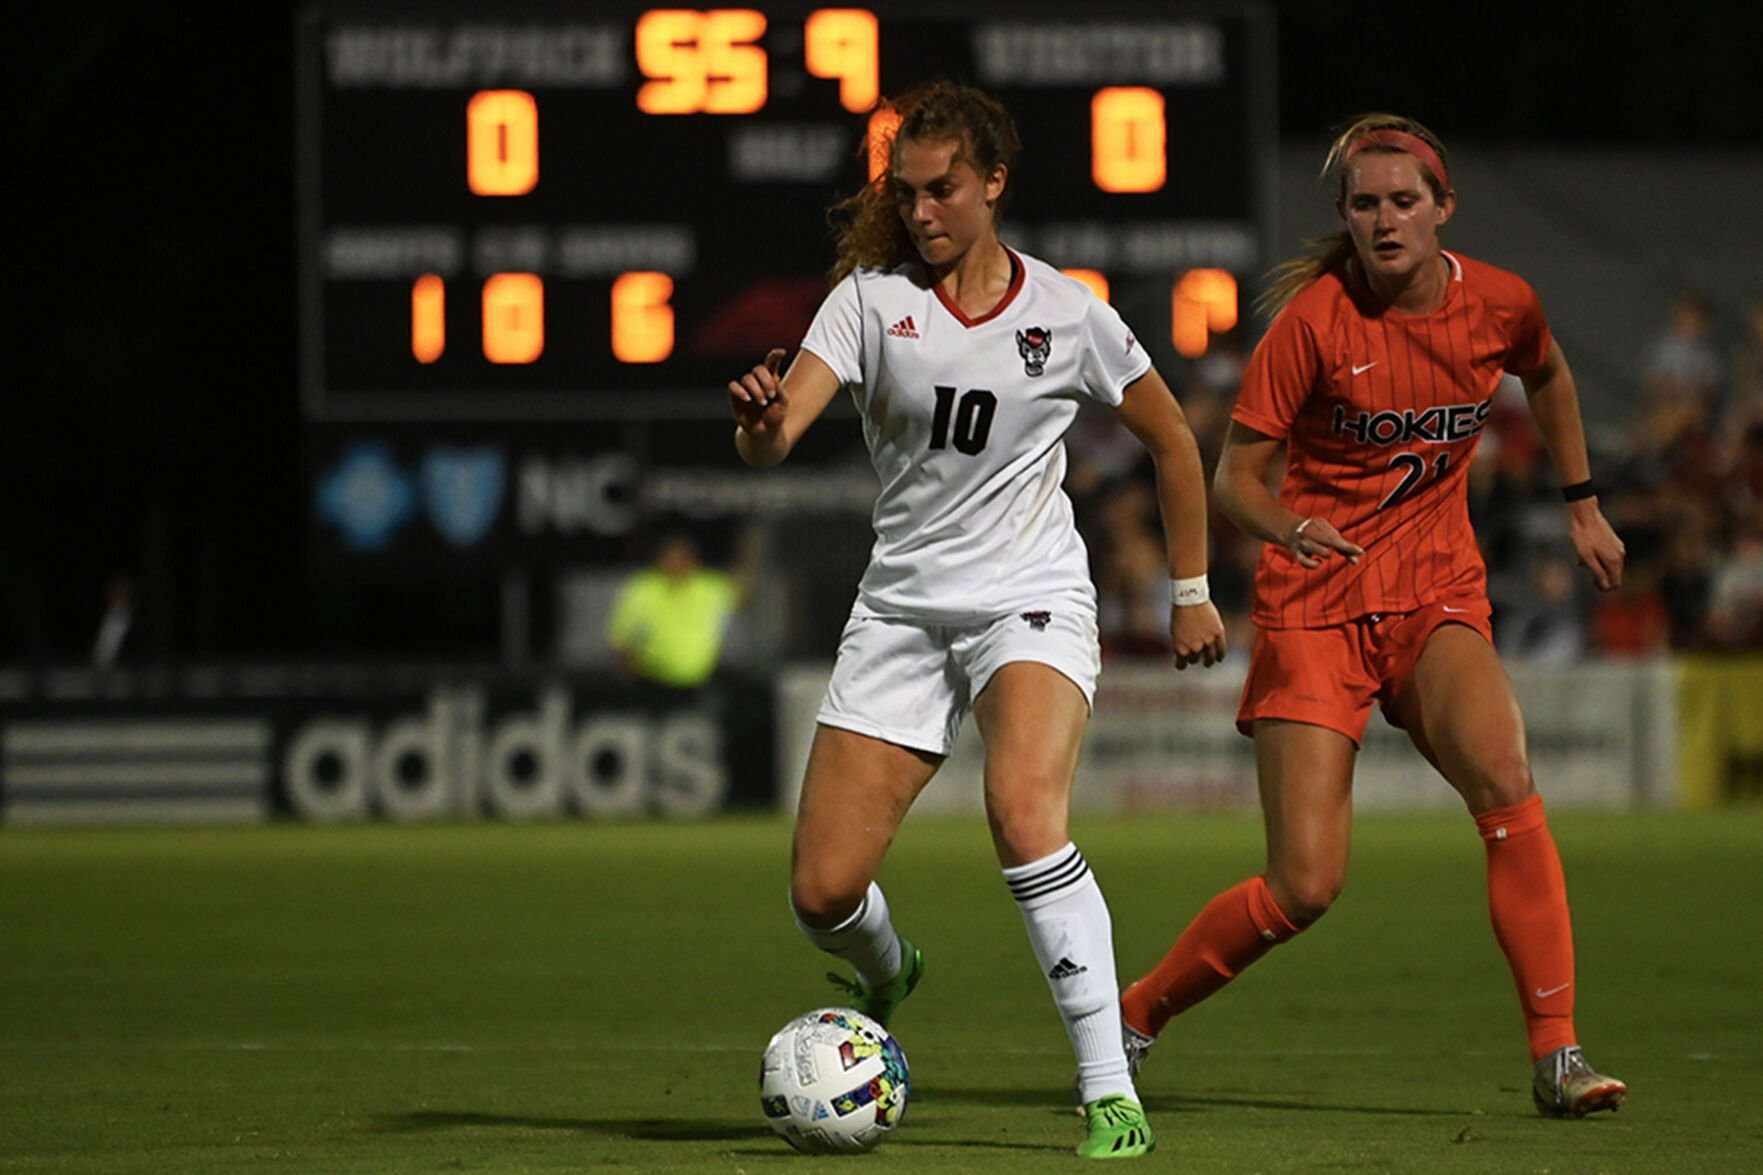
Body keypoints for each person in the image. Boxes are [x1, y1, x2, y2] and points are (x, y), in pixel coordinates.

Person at [726, 79, 1226, 1159]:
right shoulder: (867, 301)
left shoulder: (1066, 311)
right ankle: (885, 967)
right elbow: (778, 436)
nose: (920, 212)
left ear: (993, 182)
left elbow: (1175, 441)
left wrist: (1188, 589)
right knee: (820, 889)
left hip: (1027, 596)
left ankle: (1107, 1091)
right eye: (904, 193)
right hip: (902, 604)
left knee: (1022, 812)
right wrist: (762, 425)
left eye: (942, 189)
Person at [1115, 113, 1630, 1119]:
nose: (1384, 220)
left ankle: (1556, 1054)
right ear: (1342, 216)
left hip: (1434, 589)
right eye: (1363, 204)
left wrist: (1582, 500)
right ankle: (1134, 1010)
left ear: (1443, 208)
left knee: (1506, 777)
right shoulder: (1310, 323)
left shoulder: (1499, 303)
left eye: (1403, 201)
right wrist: (1289, 523)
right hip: (1313, 606)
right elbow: (1234, 481)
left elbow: (1550, 371)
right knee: (1303, 885)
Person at [606, 524, 760, 691]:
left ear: (693, 559)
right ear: (659, 559)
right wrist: (628, 677)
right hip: (652, 682)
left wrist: (749, 553)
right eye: (671, 556)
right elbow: (620, 637)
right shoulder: (644, 587)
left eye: (683, 556)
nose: (677, 562)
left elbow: (743, 594)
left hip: (701, 682)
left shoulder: (709, 586)